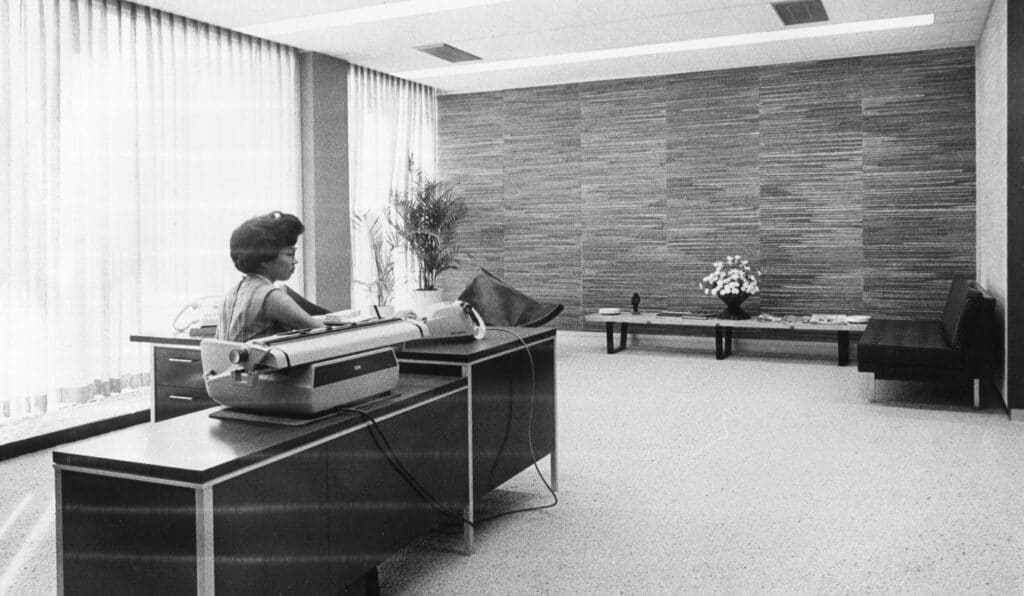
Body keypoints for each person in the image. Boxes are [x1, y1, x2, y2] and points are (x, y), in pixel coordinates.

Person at [216, 211, 325, 342]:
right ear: (265, 261)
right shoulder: (271, 297)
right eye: (289, 254)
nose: (295, 261)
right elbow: (323, 333)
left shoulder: (231, 294)